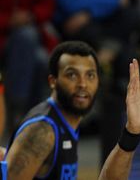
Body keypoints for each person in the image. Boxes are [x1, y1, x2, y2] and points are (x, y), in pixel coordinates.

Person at [1, 41, 99, 179]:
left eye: (90, 75)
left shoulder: (68, 121)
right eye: (72, 75)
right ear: (53, 81)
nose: (82, 84)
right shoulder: (43, 131)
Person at [0, 0, 57, 131]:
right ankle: (25, 116)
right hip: (3, 36)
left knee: (40, 58)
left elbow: (48, 3)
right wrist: (8, 20)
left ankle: (25, 117)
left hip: (29, 33)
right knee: (31, 45)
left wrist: (31, 15)